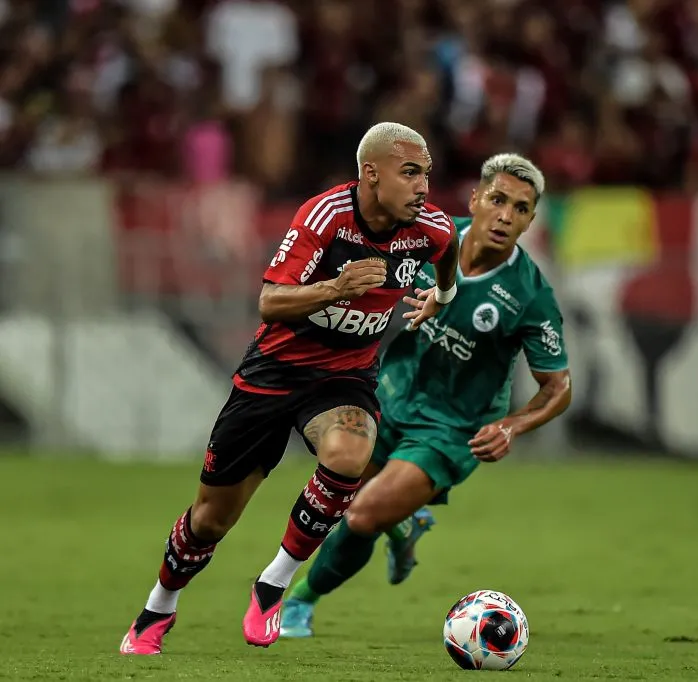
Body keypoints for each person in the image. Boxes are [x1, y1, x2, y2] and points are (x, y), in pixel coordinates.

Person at [119, 122, 459, 655]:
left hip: (343, 378)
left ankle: (273, 584)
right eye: (410, 172)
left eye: (426, 175)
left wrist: (444, 292)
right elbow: (270, 303)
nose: (423, 186)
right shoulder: (326, 216)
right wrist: (336, 288)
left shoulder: (430, 228)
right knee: (211, 519)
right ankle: (157, 608)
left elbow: (449, 252)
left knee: (350, 454)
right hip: (273, 374)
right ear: (371, 173)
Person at [276, 153, 572, 639]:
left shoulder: (530, 296)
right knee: (334, 497)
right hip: (385, 397)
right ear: (475, 199)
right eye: (497, 199)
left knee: (362, 513)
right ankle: (405, 525)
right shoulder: (427, 238)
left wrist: (510, 425)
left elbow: (557, 386)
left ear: (530, 220)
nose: (504, 215)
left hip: (450, 430)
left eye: (520, 208)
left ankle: (299, 602)